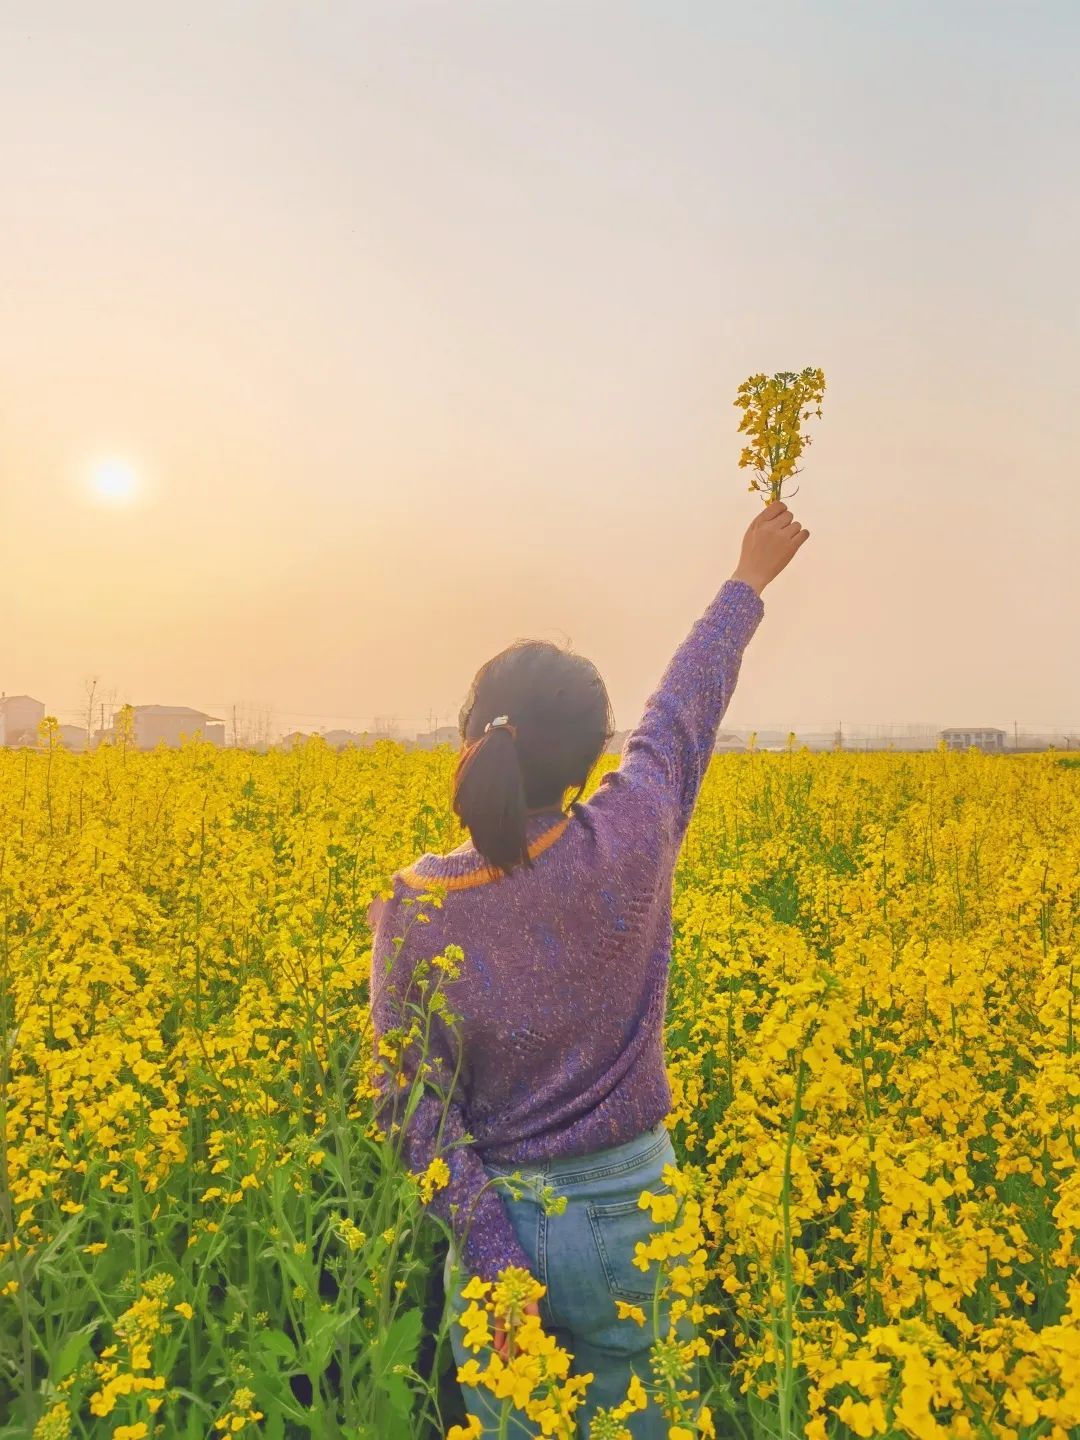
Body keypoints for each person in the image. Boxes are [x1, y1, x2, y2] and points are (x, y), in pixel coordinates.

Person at [369, 499, 809, 1437]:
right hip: (636, 1215)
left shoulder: (416, 906)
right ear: (592, 758)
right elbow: (681, 712)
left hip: (500, 1218)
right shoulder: (633, 834)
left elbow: (407, 1103)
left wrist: (491, 1253)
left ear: (470, 740)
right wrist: (746, 580)